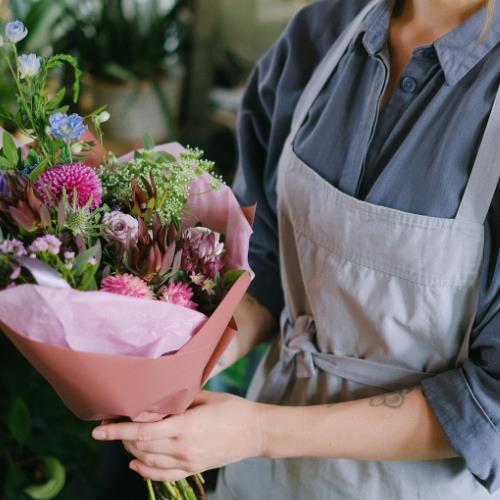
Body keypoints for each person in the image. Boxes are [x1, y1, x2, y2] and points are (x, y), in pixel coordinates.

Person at [92, 0, 500, 498]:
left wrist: (261, 431)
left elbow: (489, 405)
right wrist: (186, 362)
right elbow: (264, 261)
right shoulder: (322, 30)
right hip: (261, 477)